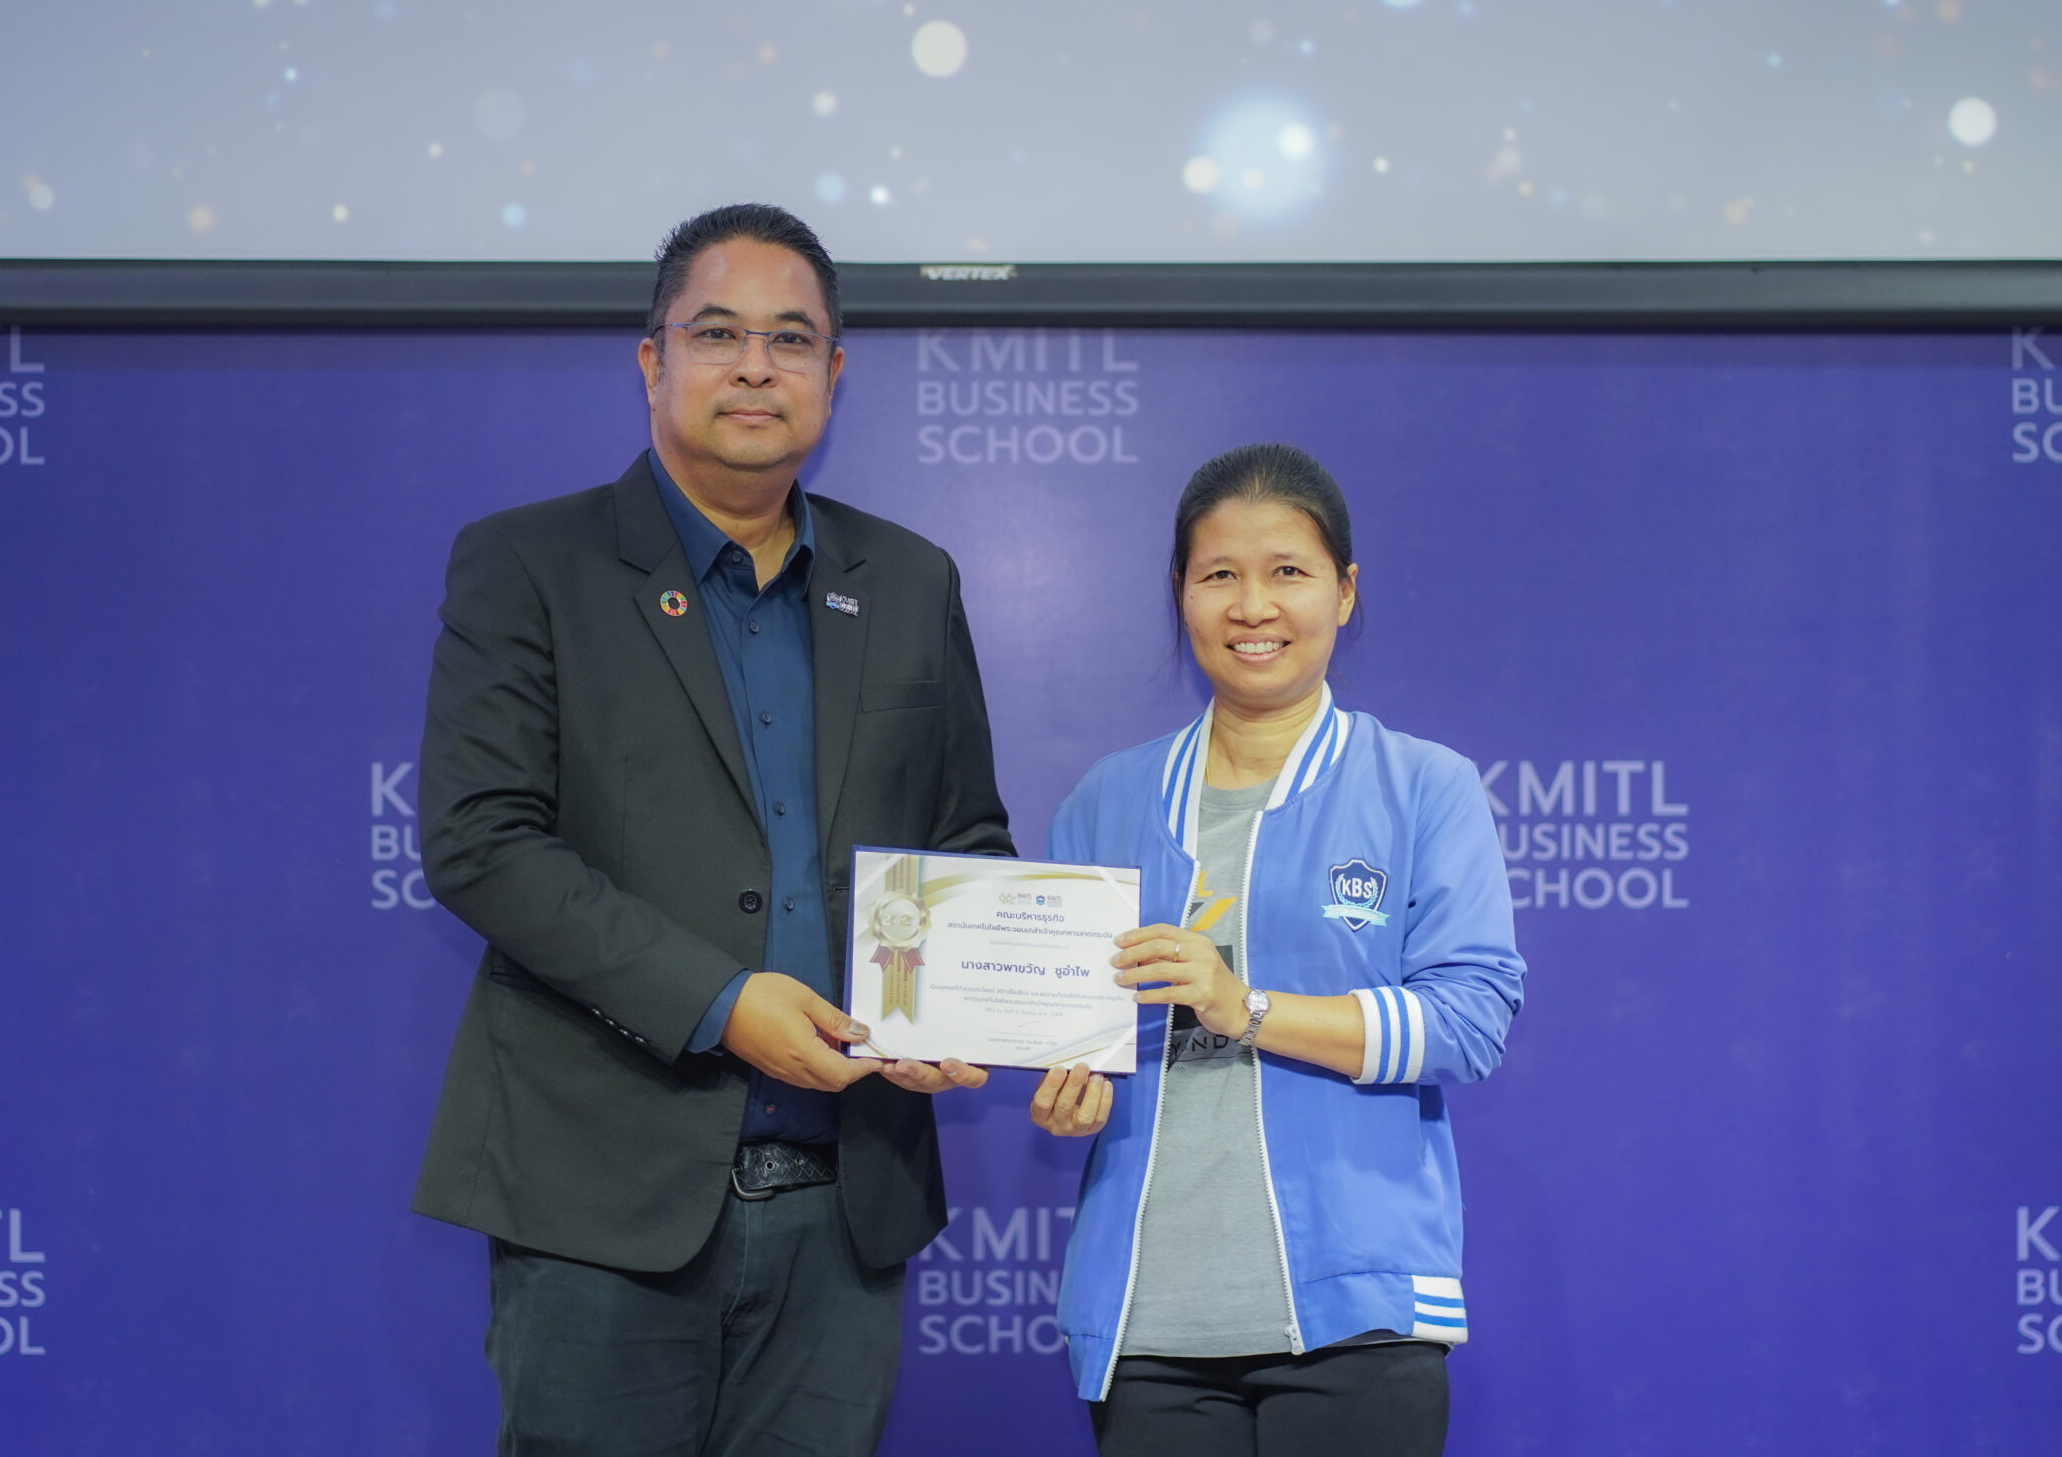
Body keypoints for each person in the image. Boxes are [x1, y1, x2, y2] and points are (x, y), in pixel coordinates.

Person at [411, 203, 1012, 1456]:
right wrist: (722, 1003)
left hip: (846, 1212)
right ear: (653, 360)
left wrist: (955, 1008)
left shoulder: (910, 581)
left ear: (832, 374)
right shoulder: (530, 565)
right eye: (717, 333)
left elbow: (961, 840)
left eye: (790, 339)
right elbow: (481, 840)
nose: (754, 366)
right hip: (601, 1205)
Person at [1029, 442, 1525, 1457]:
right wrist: (1065, 1086)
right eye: (1219, 575)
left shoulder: (1424, 786)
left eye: (1288, 571)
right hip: (1148, 1321)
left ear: (1344, 591)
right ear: (1181, 594)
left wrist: (1244, 1006)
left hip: (1359, 1315)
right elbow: (1070, 1026)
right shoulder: (1107, 800)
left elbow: (1470, 1021)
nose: (1252, 606)